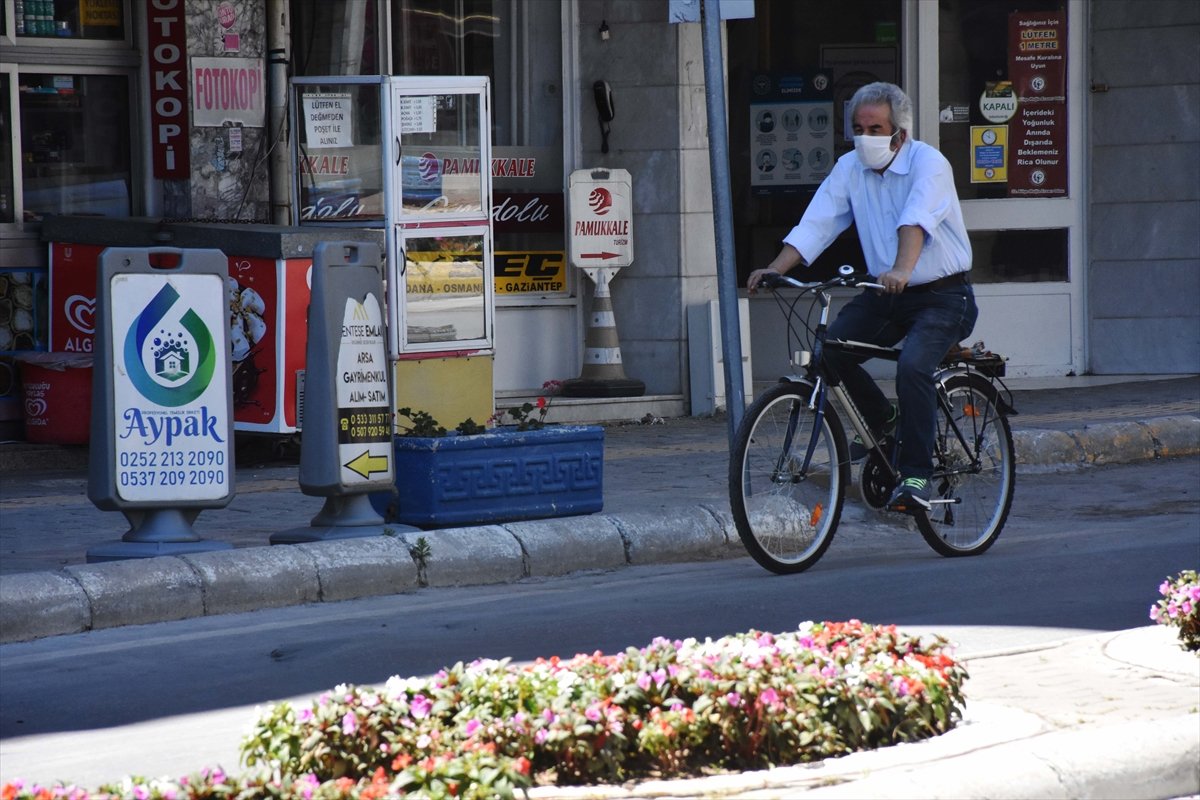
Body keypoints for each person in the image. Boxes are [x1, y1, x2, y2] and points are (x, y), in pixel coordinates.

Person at [747, 82, 978, 512]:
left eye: (875, 129)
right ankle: (883, 418)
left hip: (944, 296)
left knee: (913, 366)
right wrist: (776, 269)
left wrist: (902, 270)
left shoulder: (929, 163)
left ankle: (916, 475)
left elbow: (915, 220)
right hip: (883, 292)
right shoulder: (849, 167)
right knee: (830, 353)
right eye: (858, 128)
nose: (865, 137)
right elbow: (818, 222)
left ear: (899, 134)